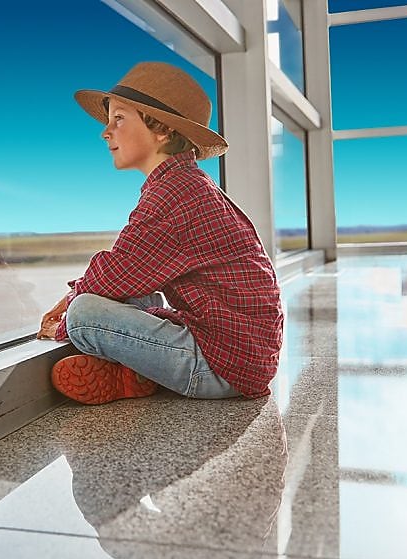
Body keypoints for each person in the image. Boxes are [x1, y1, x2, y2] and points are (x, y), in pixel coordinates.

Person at [38, 61, 284, 405]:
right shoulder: (186, 184)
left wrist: (65, 316)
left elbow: (114, 271)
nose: (105, 132)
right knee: (125, 294)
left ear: (162, 131)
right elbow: (128, 272)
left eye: (119, 118)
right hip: (241, 352)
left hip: (224, 369)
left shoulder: (174, 194)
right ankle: (132, 374)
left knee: (84, 314)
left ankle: (134, 368)